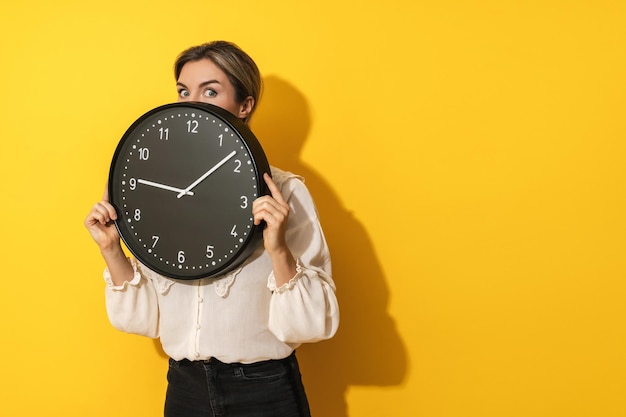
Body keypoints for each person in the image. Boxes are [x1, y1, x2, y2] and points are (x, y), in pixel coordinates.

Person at [84, 40, 339, 417]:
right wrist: (111, 249)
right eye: (184, 91)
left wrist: (279, 249)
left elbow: (312, 325)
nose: (193, 102)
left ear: (245, 105)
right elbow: (143, 320)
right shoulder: (155, 190)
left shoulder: (284, 192)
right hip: (185, 390)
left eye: (211, 91)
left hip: (264, 392)